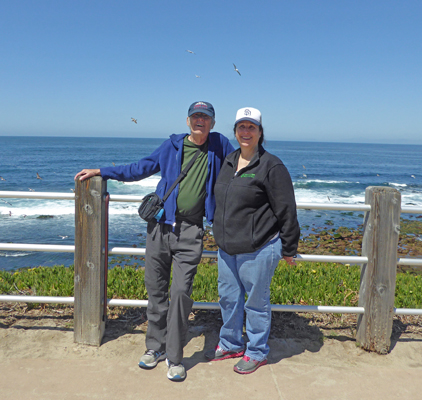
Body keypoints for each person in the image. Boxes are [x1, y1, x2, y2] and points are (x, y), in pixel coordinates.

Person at [74, 101, 234, 381]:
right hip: (159, 228)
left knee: (181, 293)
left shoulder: (220, 146)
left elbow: (241, 168)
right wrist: (102, 171)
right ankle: (155, 348)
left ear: (213, 122)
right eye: (195, 117)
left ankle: (174, 357)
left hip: (191, 231)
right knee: (156, 291)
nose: (200, 121)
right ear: (187, 122)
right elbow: (141, 167)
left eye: (205, 118)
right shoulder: (171, 146)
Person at [205, 107, 300, 374]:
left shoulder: (272, 165)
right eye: (241, 127)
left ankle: (257, 352)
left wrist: (289, 247)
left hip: (259, 248)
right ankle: (231, 343)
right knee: (229, 300)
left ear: (260, 132)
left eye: (251, 127)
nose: (245, 132)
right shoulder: (228, 160)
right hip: (226, 249)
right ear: (235, 131)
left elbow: (286, 209)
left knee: (256, 303)